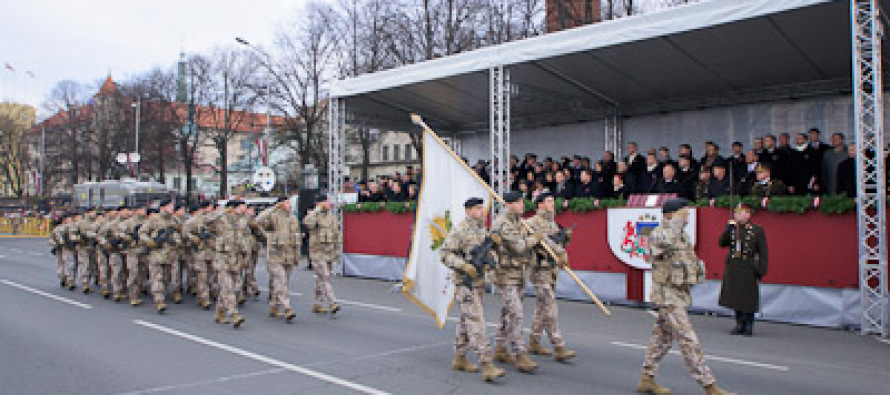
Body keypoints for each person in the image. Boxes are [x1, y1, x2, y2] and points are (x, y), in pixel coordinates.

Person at [637, 198, 734, 395]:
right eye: (683, 214)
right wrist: (675, 223)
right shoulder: (659, 233)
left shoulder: (682, 236)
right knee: (689, 340)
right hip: (667, 296)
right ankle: (709, 384)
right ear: (670, 215)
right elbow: (662, 244)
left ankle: (647, 378)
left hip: (678, 293)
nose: (687, 217)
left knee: (661, 339)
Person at [439, 197, 506, 382]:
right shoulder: (460, 229)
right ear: (468, 210)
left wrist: (495, 245)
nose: (480, 212)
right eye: (477, 208)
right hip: (465, 284)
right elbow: (444, 254)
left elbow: (490, 255)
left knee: (465, 321)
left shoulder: (482, 230)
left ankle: (459, 357)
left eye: (481, 208)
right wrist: (463, 266)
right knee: (476, 321)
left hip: (479, 283)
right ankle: (487, 364)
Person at [492, 191, 541, 374]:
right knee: (517, 314)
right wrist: (534, 239)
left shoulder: (519, 222)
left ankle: (500, 348)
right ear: (510, 204)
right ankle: (520, 353)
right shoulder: (502, 224)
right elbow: (519, 247)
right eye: (519, 202)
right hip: (506, 276)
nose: (523, 205)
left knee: (507, 314)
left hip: (519, 275)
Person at [525, 193, 576, 362]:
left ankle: (534, 340)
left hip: (552, 270)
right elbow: (543, 243)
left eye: (553, 201)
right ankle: (558, 345)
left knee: (542, 307)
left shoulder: (552, 222)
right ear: (539, 205)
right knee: (550, 307)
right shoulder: (532, 223)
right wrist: (560, 252)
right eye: (548, 201)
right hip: (540, 269)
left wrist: (565, 240)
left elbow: (557, 244)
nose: (552, 204)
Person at [718, 203, 768, 337]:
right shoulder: (733, 229)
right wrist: (727, 230)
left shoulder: (756, 230)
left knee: (748, 297)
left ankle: (748, 324)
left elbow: (763, 252)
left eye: (741, 213)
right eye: (736, 213)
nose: (738, 216)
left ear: (748, 214)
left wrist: (762, 269)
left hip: (748, 266)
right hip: (734, 266)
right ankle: (739, 323)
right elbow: (722, 243)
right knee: (736, 296)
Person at [256, 196, 302, 323]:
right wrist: (272, 208)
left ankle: (274, 306)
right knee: (281, 281)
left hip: (289, 255)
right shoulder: (273, 216)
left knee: (282, 282)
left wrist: (296, 256)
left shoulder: (293, 218)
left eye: (289, 202)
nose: (289, 205)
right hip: (275, 254)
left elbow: (296, 237)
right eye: (286, 203)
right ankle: (287, 308)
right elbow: (258, 221)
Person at [139, 200, 182, 313]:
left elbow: (181, 233)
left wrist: (176, 240)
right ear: (163, 207)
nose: (172, 208)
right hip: (156, 253)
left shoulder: (175, 220)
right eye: (170, 206)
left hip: (170, 254)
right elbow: (142, 233)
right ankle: (159, 301)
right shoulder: (154, 219)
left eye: (172, 206)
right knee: (156, 278)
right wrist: (149, 241)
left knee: (165, 278)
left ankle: (162, 294)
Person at [211, 200, 247, 328]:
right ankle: (233, 314)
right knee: (228, 287)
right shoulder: (221, 219)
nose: (244, 209)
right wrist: (221, 213)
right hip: (222, 259)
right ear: (233, 208)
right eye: (242, 207)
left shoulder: (241, 220)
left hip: (235, 258)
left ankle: (220, 312)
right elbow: (204, 221)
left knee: (236, 286)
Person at [304, 195, 341, 315]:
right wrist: (316, 210)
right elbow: (308, 224)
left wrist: (336, 251)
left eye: (328, 201)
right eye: (325, 201)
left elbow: (336, 234)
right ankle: (332, 302)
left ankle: (317, 304)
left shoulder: (331, 217)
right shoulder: (314, 215)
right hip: (317, 251)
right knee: (325, 276)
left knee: (321, 279)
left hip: (328, 251)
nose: (328, 203)